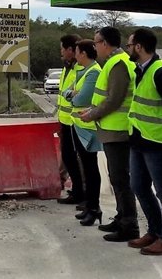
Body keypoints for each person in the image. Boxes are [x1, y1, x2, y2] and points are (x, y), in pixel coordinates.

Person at [80, 26, 139, 242]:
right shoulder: (114, 62)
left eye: (96, 42)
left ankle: (129, 226)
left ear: (105, 43)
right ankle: (121, 217)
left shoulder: (118, 64)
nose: (95, 46)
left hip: (118, 129)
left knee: (120, 179)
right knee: (117, 178)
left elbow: (115, 100)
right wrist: (92, 111)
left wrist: (92, 114)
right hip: (111, 128)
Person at [124, 28, 162, 255]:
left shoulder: (161, 73)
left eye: (129, 45)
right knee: (139, 187)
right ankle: (155, 231)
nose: (127, 49)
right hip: (139, 140)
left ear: (139, 47)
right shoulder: (140, 70)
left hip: (158, 143)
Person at [68, 40, 103, 226]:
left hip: (88, 130)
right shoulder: (83, 71)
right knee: (87, 170)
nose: (75, 55)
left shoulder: (94, 72)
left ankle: (94, 207)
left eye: (77, 51)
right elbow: (70, 93)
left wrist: (73, 95)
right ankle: (90, 207)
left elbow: (81, 98)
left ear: (84, 53)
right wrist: (72, 94)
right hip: (79, 126)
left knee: (91, 170)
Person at [56, 34, 86, 207]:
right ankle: (77, 192)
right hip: (66, 121)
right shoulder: (67, 68)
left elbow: (77, 95)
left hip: (77, 122)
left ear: (70, 50)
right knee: (69, 158)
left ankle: (83, 193)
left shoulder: (79, 69)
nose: (60, 52)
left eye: (62, 48)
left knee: (81, 161)